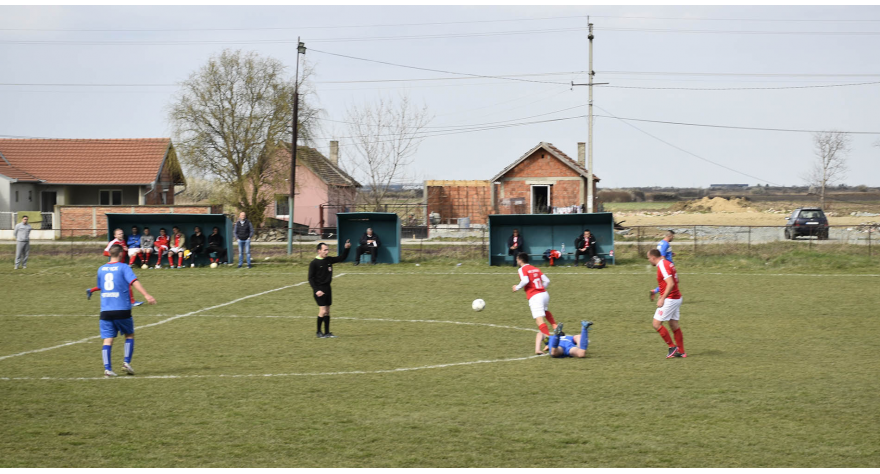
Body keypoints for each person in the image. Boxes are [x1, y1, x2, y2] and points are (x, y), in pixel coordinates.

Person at [96, 244, 156, 377]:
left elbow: (100, 287)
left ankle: (107, 369)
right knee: (129, 335)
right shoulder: (124, 267)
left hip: (105, 310)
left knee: (107, 339)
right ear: (121, 254)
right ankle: (126, 363)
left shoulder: (101, 269)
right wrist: (146, 295)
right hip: (122, 309)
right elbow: (134, 281)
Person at [511, 252, 559, 355]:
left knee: (539, 320)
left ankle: (548, 342)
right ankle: (555, 326)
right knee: (545, 311)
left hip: (535, 296)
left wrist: (517, 287)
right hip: (544, 294)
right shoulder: (535, 268)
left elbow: (525, 280)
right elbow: (547, 280)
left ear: (520, 260)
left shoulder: (522, 269)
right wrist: (540, 288)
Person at [647, 248, 686, 359]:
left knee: (656, 324)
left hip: (670, 299)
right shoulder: (668, 264)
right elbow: (676, 280)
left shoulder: (662, 266)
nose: (649, 260)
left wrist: (663, 297)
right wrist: (661, 291)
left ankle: (672, 347)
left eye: (649, 258)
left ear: (653, 257)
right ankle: (682, 352)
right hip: (676, 297)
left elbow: (671, 283)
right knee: (673, 325)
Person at [309, 240, 351, 338]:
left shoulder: (328, 260)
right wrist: (316, 290)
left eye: (327, 250)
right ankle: (319, 332)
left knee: (327, 311)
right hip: (319, 290)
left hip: (328, 288)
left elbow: (342, 258)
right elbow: (310, 278)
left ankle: (327, 332)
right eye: (325, 250)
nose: (327, 252)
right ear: (319, 251)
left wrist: (347, 248)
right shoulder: (314, 263)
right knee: (322, 311)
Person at [651, 231, 675, 298]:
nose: (673, 238)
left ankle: (656, 292)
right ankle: (661, 295)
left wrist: (671, 254)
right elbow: (662, 255)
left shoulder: (661, 242)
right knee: (671, 282)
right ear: (669, 236)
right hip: (667, 266)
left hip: (665, 265)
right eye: (673, 236)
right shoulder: (665, 244)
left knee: (668, 282)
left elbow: (662, 252)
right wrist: (665, 265)